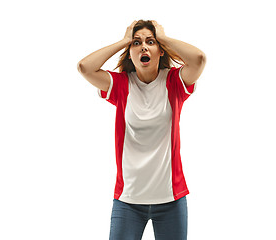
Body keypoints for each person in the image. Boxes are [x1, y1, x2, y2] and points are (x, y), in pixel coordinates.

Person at [77, 20, 206, 240]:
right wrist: (124, 41)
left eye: (150, 42)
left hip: (171, 199)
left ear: (160, 51)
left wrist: (163, 37)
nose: (144, 47)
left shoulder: (174, 82)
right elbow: (84, 67)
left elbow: (199, 60)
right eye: (137, 43)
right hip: (128, 200)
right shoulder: (120, 85)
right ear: (130, 53)